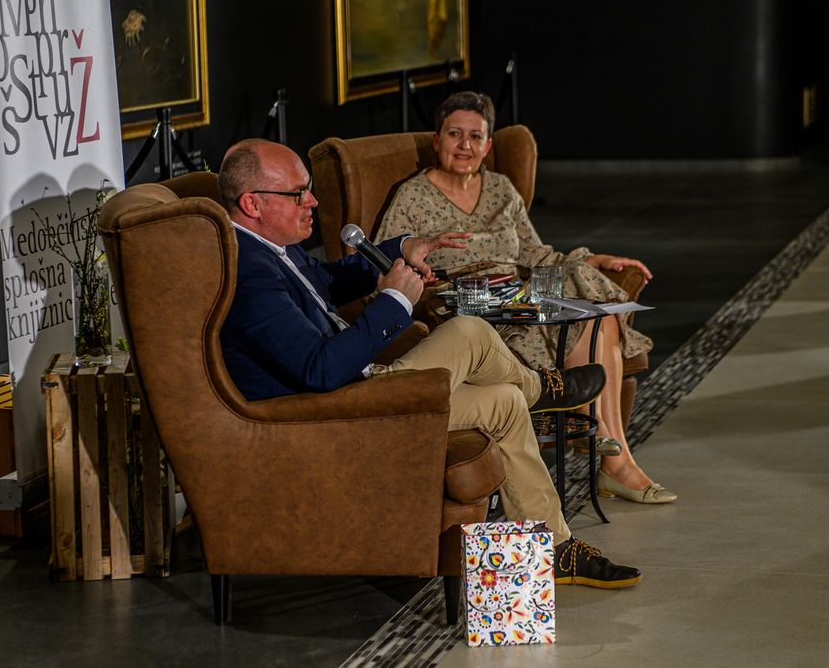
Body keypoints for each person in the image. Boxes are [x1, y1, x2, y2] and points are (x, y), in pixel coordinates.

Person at [218, 137, 641, 589]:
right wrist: (395, 301)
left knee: (504, 401)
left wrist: (402, 250)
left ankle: (554, 548)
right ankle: (543, 389)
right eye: (298, 193)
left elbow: (324, 281)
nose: (312, 201)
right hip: (332, 412)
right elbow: (319, 371)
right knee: (470, 332)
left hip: (353, 390)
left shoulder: (271, 247)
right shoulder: (249, 273)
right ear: (252, 203)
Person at [375, 91, 676, 505]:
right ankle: (612, 457)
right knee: (557, 322)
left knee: (598, 315)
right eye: (455, 134)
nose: (465, 145)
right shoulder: (412, 195)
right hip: (469, 303)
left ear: (488, 145)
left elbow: (535, 253)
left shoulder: (501, 188)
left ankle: (611, 455)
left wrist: (594, 259)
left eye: (476, 137)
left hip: (521, 289)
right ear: (437, 140)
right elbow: (384, 259)